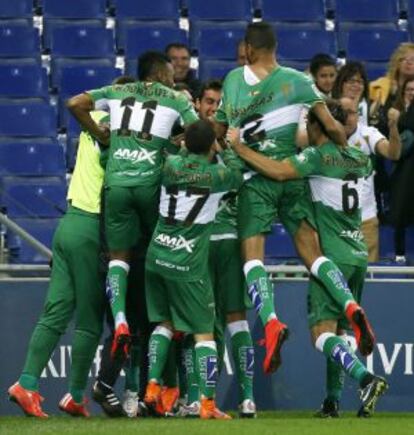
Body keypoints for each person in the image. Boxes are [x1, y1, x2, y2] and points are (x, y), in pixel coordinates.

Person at [214, 22, 374, 377]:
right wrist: (343, 155)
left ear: (249, 49)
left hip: (256, 179)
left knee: (252, 258)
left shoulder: (233, 81)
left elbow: (219, 128)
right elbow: (332, 128)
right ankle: (349, 305)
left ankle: (270, 320)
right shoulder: (298, 81)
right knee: (312, 254)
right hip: (292, 176)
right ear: (275, 47)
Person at [227, 99, 389, 418]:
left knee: (322, 334)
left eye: (307, 125)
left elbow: (280, 171)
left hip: (331, 256)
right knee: (341, 332)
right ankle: (332, 401)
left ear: (317, 125)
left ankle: (366, 379)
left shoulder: (315, 158)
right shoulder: (359, 157)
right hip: (359, 252)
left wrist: (241, 149)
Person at [67, 51, 199, 362]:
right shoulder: (173, 97)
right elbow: (198, 134)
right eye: (169, 73)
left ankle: (122, 321)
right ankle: (166, 313)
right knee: (159, 248)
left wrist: (99, 132)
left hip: (116, 186)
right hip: (149, 185)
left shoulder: (116, 91)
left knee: (118, 258)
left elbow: (74, 104)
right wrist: (176, 142)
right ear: (159, 74)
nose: (173, 78)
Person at [8, 108, 110, 418]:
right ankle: (76, 395)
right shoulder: (112, 132)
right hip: (91, 228)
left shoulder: (92, 119)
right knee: (91, 321)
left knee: (56, 311)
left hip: (67, 225)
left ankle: (26, 383)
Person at [143, 119, 243, 419]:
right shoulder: (218, 175)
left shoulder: (170, 165)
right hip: (187, 264)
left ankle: (151, 386)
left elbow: (172, 154)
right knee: (204, 334)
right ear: (212, 144)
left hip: (156, 256)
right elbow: (237, 175)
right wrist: (229, 146)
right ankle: (208, 404)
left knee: (164, 323)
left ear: (186, 142)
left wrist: (182, 146)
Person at [178, 79, 256, 418]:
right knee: (206, 322)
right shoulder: (197, 149)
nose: (213, 108)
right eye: (209, 102)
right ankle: (200, 398)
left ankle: (246, 398)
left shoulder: (207, 152)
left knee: (229, 318)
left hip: (220, 242)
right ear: (198, 105)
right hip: (195, 244)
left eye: (218, 104)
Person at [340, 97, 401, 262]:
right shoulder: (323, 136)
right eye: (342, 113)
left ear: (358, 115)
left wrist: (393, 128)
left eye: (351, 113)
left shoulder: (367, 134)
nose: (347, 117)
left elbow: (392, 153)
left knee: (366, 278)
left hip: (365, 220)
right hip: (333, 221)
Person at [389, 77, 414, 263]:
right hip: (402, 172)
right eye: (409, 90)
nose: (412, 93)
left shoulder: (401, 115)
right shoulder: (393, 109)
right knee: (400, 212)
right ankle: (399, 256)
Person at [370, 42, 414, 135]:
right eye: (403, 59)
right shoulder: (382, 86)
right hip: (384, 135)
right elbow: (377, 119)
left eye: (413, 59)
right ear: (397, 63)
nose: (408, 62)